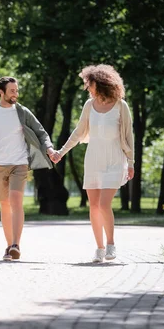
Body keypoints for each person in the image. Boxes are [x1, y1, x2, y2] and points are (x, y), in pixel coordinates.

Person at [50, 64, 134, 263]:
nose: (88, 88)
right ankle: (99, 248)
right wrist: (61, 152)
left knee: (104, 204)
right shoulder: (89, 105)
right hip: (94, 157)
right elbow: (78, 133)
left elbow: (129, 136)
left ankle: (111, 244)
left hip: (114, 158)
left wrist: (131, 162)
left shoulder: (121, 105)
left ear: (102, 83)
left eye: (90, 84)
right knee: (94, 206)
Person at [0, 77, 55, 261]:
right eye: (12, 91)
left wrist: (49, 149)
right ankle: (8, 246)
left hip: (19, 163)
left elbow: (40, 131)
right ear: (1, 92)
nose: (15, 94)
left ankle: (16, 244)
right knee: (5, 205)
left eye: (16, 90)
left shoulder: (22, 112)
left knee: (16, 202)